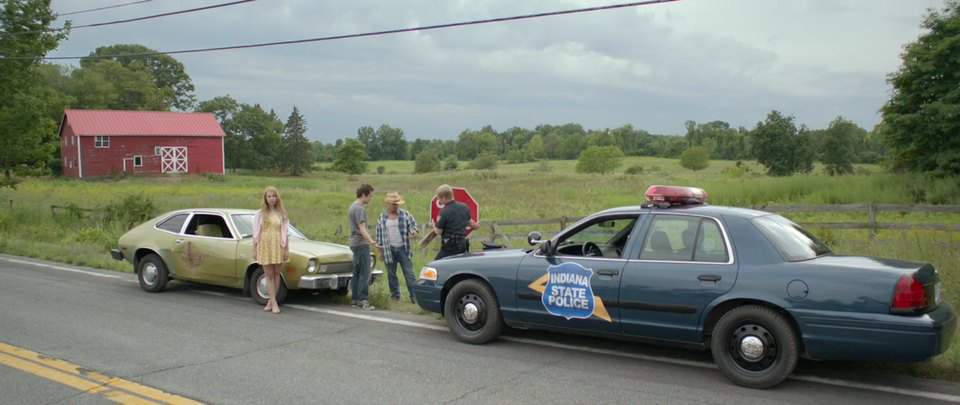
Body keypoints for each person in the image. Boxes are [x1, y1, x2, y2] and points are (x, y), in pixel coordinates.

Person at [375, 192, 418, 303]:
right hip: (389, 250)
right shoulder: (382, 217)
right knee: (391, 275)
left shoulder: (405, 214)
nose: (395, 206)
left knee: (409, 274)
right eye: (393, 204)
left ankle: (414, 297)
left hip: (403, 249)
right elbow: (379, 236)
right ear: (388, 204)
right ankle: (395, 297)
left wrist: (413, 232)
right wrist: (381, 252)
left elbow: (413, 226)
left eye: (397, 204)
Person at [253, 186, 289, 314]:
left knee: (276, 274)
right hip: (265, 245)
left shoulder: (282, 213)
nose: (272, 199)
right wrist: (254, 248)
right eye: (269, 196)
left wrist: (286, 249)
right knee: (268, 275)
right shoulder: (260, 214)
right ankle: (274, 302)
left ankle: (270, 301)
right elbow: (256, 232)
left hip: (278, 245)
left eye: (274, 196)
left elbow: (285, 232)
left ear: (277, 198)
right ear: (265, 198)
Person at [424, 184, 479, 260]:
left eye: (439, 198)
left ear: (443, 197)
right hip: (463, 245)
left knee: (436, 266)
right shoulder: (464, 207)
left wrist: (433, 225)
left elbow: (438, 232)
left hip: (450, 247)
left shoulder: (444, 211)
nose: (439, 201)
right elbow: (473, 224)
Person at [348, 184, 378, 310]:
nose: (370, 199)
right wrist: (371, 241)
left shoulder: (352, 207)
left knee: (357, 272)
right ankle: (363, 300)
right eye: (370, 196)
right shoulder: (360, 209)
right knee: (365, 273)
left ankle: (355, 299)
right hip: (361, 243)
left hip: (354, 243)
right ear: (364, 195)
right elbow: (362, 228)